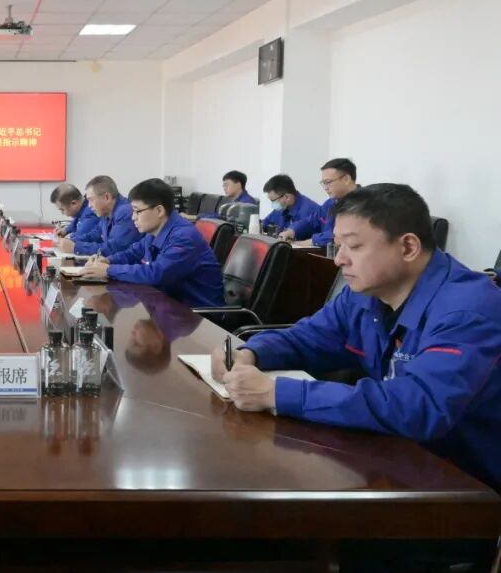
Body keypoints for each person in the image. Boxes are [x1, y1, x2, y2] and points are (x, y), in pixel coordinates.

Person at [210, 184, 500, 495]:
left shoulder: (468, 310)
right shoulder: (366, 292)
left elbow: (420, 405)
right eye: (337, 245)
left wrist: (278, 394)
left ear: (408, 247)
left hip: (468, 484)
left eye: (354, 246)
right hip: (395, 456)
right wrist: (251, 352)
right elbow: (309, 337)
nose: (339, 259)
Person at [81, 179, 224, 307]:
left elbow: (157, 274)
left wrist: (108, 270)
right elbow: (133, 253)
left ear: (159, 210)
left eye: (137, 211)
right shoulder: (155, 231)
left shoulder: (184, 237)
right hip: (169, 305)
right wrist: (107, 260)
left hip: (199, 316)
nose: (133, 217)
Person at [58, 176, 142, 257]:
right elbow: (95, 234)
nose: (89, 206)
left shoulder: (125, 212)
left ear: (107, 197)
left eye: (91, 200)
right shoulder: (105, 212)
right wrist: (71, 240)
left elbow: (114, 249)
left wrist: (76, 247)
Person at [307, 157, 359, 247]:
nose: (325, 188)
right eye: (323, 183)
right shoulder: (330, 202)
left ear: (346, 179)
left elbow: (339, 236)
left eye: (328, 182)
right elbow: (312, 220)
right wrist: (292, 230)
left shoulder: (362, 204)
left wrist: (312, 240)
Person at [260, 174, 321, 241]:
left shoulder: (310, 211)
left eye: (273, 201)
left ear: (287, 197)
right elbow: (265, 223)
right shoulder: (282, 208)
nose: (272, 204)